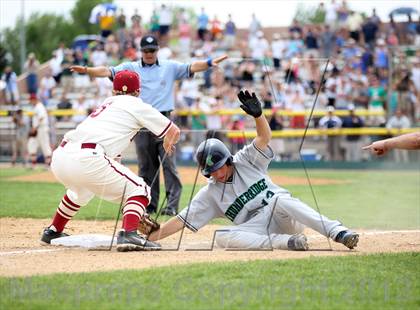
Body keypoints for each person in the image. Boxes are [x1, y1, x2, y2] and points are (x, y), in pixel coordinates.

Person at [149, 90, 359, 251]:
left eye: (220, 166)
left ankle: (337, 232)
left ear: (228, 160)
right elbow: (181, 221)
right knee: (221, 237)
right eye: (211, 171)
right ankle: (288, 243)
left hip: (283, 215)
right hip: (258, 229)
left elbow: (264, 138)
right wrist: (149, 238)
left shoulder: (246, 160)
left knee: (280, 199)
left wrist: (259, 116)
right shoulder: (210, 193)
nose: (217, 173)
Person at [71, 34, 227, 216]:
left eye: (152, 50)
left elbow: (191, 67)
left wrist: (209, 62)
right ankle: (149, 204)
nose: (149, 54)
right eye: (145, 50)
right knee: (146, 166)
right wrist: (87, 70)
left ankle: (171, 206)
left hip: (164, 120)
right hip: (142, 123)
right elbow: (107, 71)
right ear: (141, 51)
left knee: (169, 165)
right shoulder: (131, 67)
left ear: (157, 51)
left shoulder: (169, 66)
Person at [40, 70, 180, 252]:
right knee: (140, 188)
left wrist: (131, 205)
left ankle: (53, 230)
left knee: (81, 192)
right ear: (138, 91)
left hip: (61, 156)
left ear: (114, 91)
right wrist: (169, 141)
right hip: (88, 157)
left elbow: (113, 157)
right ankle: (129, 234)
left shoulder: (106, 104)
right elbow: (174, 130)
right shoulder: (136, 104)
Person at [27, 94, 52, 169]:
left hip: (42, 128)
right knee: (32, 144)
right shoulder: (36, 107)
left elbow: (41, 117)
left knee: (45, 145)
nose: (30, 102)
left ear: (34, 100)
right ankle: (33, 165)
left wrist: (35, 127)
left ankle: (48, 165)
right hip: (37, 129)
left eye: (31, 100)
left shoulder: (39, 106)